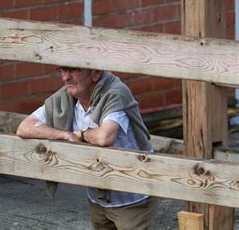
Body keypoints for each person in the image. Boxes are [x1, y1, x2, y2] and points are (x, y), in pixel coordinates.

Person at [16, 67, 157, 230]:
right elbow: (24, 127)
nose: (65, 78)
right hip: (98, 198)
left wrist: (81, 134)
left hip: (133, 197)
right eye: (62, 71)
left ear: (96, 73)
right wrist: (64, 134)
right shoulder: (65, 97)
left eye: (73, 70)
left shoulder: (115, 92)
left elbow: (104, 137)